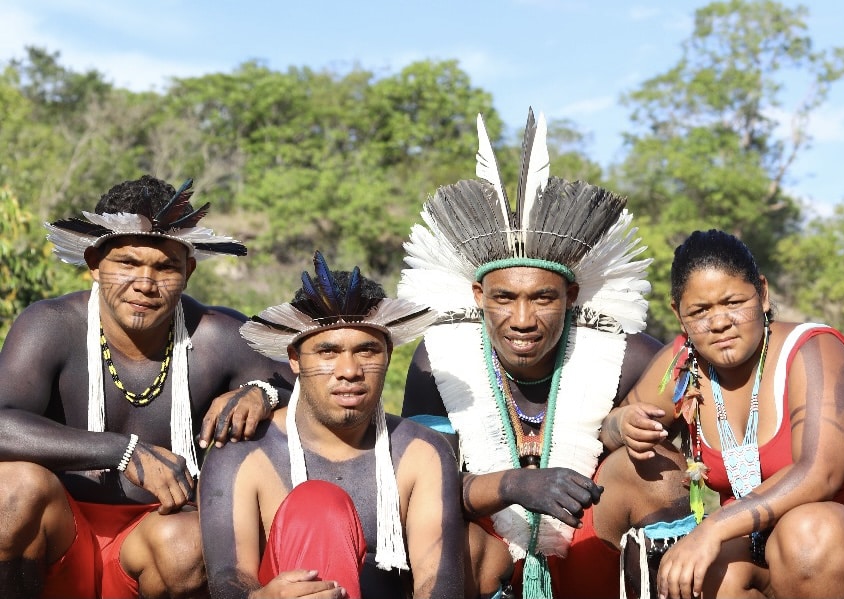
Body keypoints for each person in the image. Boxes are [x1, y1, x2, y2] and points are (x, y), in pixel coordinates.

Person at [397, 110, 693, 599]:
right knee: (447, 530)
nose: (522, 319)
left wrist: (623, 430)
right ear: (477, 295)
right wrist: (514, 485)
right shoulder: (439, 361)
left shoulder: (626, 355)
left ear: (572, 295)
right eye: (503, 298)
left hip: (591, 546)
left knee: (657, 469)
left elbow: (695, 448)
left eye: (543, 297)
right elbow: (423, 485)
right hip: (490, 551)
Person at [0, 175, 293, 599]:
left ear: (188, 271)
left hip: (157, 544)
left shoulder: (217, 336)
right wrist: (122, 450)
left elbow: (314, 394)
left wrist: (262, 394)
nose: (145, 283)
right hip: (59, 538)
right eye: (128, 264)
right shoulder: (49, 326)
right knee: (10, 490)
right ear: (94, 263)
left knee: (190, 541)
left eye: (165, 267)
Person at [199, 251, 465, 599]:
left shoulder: (422, 453)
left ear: (388, 355)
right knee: (317, 507)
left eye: (367, 351)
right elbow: (227, 582)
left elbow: (438, 584)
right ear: (294, 359)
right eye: (328, 352)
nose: (350, 370)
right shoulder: (244, 453)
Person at [620, 229, 844, 599]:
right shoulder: (683, 364)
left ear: (762, 293)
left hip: (831, 542)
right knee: (697, 576)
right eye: (699, 311)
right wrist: (622, 424)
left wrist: (711, 529)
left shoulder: (813, 350)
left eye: (732, 302)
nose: (718, 323)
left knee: (807, 537)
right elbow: (611, 428)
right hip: (754, 544)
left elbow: (819, 474)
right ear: (678, 315)